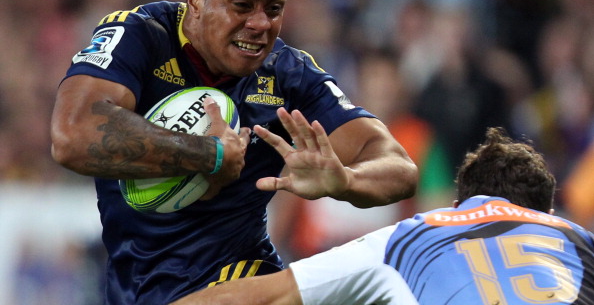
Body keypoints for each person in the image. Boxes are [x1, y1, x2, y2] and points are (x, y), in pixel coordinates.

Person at [49, 0, 418, 304]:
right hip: (135, 288)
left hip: (241, 283)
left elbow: (398, 167)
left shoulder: (288, 74)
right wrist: (210, 155)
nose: (261, 24)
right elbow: (72, 135)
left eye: (274, 9)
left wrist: (346, 180)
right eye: (242, 5)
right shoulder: (139, 36)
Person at [173, 127, 594, 305]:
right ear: (548, 214)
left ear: (459, 206)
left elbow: (258, 297)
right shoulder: (579, 241)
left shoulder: (414, 236)